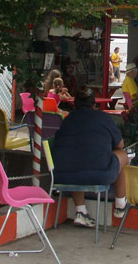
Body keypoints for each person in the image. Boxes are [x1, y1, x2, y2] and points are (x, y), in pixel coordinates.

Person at [51, 92, 129, 227]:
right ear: (94, 105)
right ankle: (120, 204)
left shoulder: (68, 120)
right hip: (99, 175)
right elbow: (120, 145)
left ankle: (80, 211)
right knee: (121, 155)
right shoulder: (103, 117)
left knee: (76, 158)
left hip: (62, 175)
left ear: (75, 106)